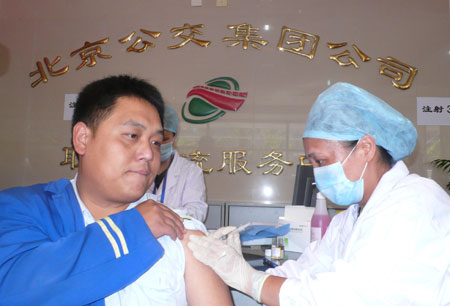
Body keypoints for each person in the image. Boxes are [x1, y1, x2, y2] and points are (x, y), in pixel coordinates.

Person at [188, 82, 450, 305]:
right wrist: (236, 267)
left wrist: (251, 281)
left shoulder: (414, 202)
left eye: (321, 162)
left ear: (366, 148)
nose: (317, 174)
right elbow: (306, 270)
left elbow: (345, 296)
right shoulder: (350, 218)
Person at [0, 75, 232, 306]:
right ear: (82, 138)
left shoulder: (181, 230)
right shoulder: (22, 209)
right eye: (132, 136)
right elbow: (13, 290)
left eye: (155, 142)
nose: (149, 154)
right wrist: (134, 228)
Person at [149, 104, 208, 222]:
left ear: (174, 138)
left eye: (164, 139)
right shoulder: (136, 168)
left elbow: (196, 213)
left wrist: (161, 216)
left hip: (177, 237)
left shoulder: (190, 171)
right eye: (155, 141)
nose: (159, 145)